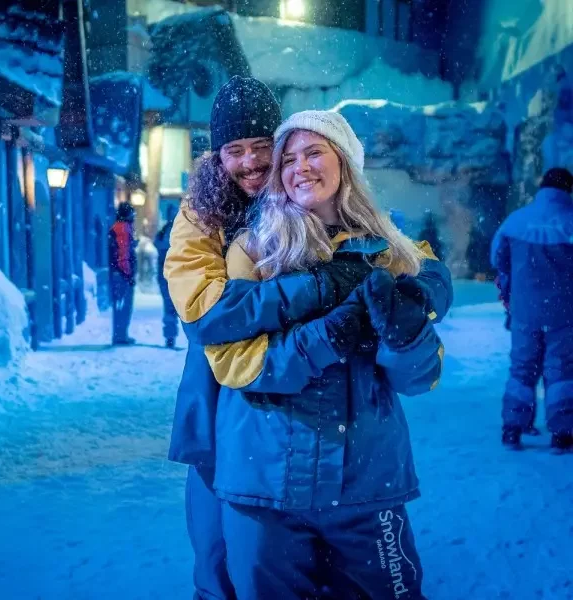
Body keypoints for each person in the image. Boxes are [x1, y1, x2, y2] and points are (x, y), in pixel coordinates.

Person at [198, 110, 452, 599]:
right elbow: (236, 365)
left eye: (314, 152)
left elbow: (419, 379)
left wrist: (405, 338)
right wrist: (328, 337)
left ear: (346, 164)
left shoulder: (391, 253)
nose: (300, 167)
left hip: (366, 482)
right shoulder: (254, 250)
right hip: (264, 484)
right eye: (288, 158)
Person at [164, 77, 375, 600]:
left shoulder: (305, 193)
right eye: (234, 150)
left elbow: (390, 241)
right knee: (218, 558)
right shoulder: (200, 216)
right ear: (217, 156)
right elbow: (205, 316)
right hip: (219, 400)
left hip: (298, 408)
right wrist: (318, 287)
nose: (251, 162)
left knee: (292, 562)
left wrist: (427, 282)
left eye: (262, 147)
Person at [491, 167, 573, 452]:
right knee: (561, 371)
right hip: (564, 313)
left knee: (522, 367)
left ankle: (513, 428)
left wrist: (514, 292)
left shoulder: (516, 221)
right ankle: (562, 433)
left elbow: (498, 259)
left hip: (524, 310)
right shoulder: (570, 221)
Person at [108, 202, 137, 345]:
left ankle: (119, 334)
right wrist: (128, 274)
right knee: (124, 305)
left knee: (118, 305)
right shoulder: (123, 229)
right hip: (122, 274)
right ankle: (120, 335)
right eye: (132, 213)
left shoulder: (116, 228)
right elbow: (123, 253)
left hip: (117, 272)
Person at [154, 204, 179, 348]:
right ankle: (170, 337)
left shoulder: (165, 231)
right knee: (172, 308)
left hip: (169, 275)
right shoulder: (171, 232)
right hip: (170, 276)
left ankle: (171, 336)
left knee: (171, 308)